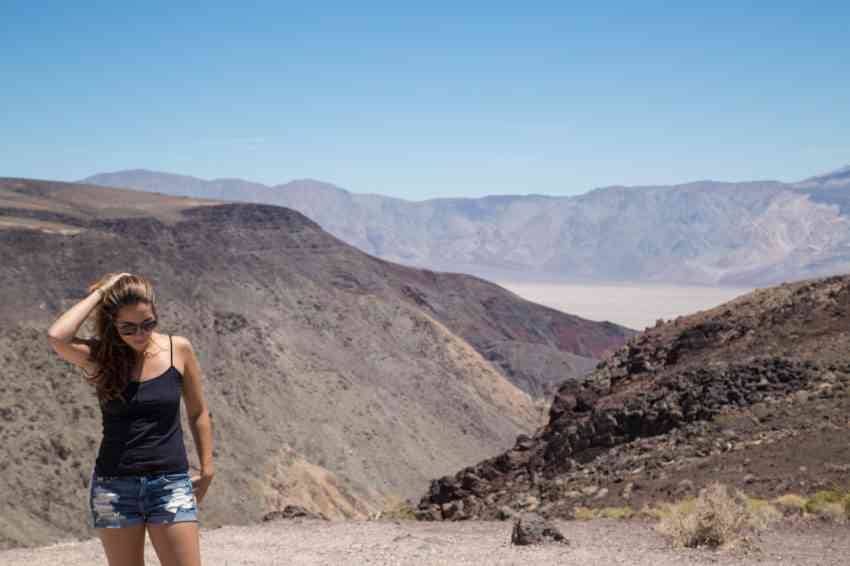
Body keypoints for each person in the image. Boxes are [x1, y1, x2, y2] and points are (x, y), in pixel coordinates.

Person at [47, 272, 214, 566]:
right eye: (129, 327)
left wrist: (208, 467)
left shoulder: (179, 349)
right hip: (114, 488)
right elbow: (57, 336)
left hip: (170, 484)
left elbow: (198, 411)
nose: (140, 334)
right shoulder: (100, 356)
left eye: (148, 323)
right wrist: (102, 293)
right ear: (113, 322)